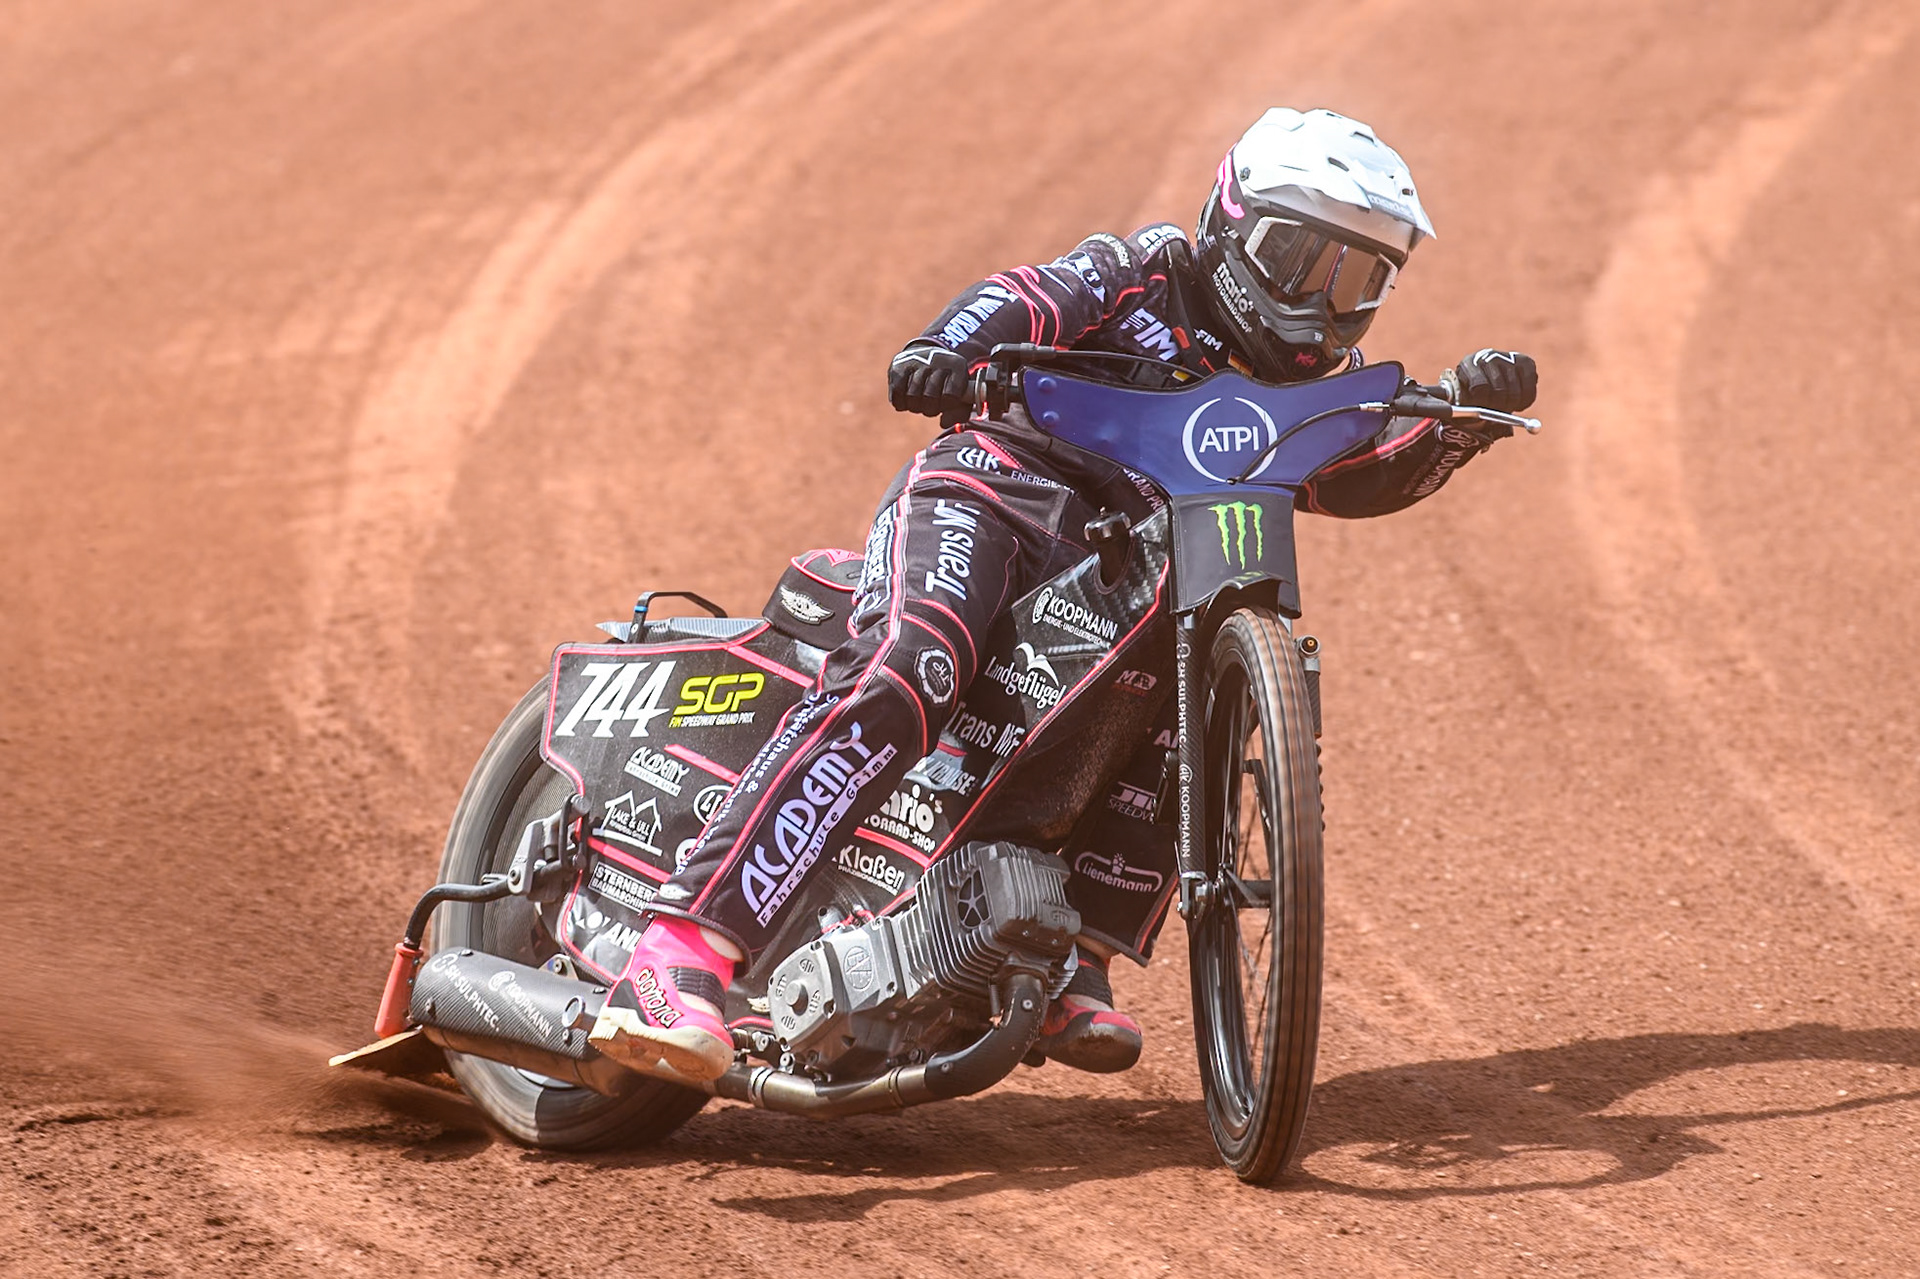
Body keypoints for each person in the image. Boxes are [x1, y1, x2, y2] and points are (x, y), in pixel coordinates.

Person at [589, 107, 1539, 1084]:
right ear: (1231, 222)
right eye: (1301, 261)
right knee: (912, 666)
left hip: (1130, 558)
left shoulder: (1297, 398)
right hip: (994, 492)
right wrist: (946, 348)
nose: (1320, 304)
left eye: (1357, 280)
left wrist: (1456, 424)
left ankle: (1071, 949)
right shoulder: (1144, 271)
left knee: (1191, 683)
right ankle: (681, 949)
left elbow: (1352, 476)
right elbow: (1028, 297)